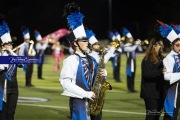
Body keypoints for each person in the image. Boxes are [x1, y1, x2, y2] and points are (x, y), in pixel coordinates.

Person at [60, 3, 107, 120]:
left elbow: (97, 78)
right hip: (79, 101)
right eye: (83, 40)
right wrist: (85, 94)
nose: (87, 42)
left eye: (87, 40)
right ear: (75, 43)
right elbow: (65, 83)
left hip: (94, 101)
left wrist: (104, 75)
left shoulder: (92, 59)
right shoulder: (71, 60)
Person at [85, 29, 115, 120]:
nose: (99, 45)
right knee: (92, 109)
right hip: (92, 84)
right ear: (92, 46)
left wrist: (105, 73)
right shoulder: (89, 55)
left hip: (99, 84)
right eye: (96, 44)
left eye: (98, 43)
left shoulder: (99, 55)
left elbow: (106, 58)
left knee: (99, 108)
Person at [0, 16, 23, 120]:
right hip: (2, 88)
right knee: (3, 114)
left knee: (11, 113)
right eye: (8, 44)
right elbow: (2, 66)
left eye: (10, 44)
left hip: (14, 88)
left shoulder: (12, 55)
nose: (10, 45)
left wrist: (11, 51)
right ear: (2, 45)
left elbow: (21, 63)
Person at [157, 21, 180, 120]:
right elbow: (166, 76)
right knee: (170, 116)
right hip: (172, 92)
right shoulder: (168, 59)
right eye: (177, 45)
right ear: (172, 45)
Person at [140, 37, 166, 120]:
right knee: (151, 117)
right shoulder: (147, 59)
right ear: (154, 46)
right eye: (159, 45)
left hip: (160, 93)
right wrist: (160, 72)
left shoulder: (162, 58)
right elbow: (146, 74)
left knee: (157, 117)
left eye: (162, 45)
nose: (162, 46)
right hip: (150, 93)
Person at [122, 28, 142, 93]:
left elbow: (140, 50)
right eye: (131, 38)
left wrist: (139, 44)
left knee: (133, 75)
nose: (132, 39)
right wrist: (136, 44)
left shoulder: (133, 45)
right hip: (129, 62)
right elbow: (131, 49)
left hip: (133, 61)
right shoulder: (126, 46)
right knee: (129, 75)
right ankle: (129, 88)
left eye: (132, 38)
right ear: (128, 39)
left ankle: (132, 88)